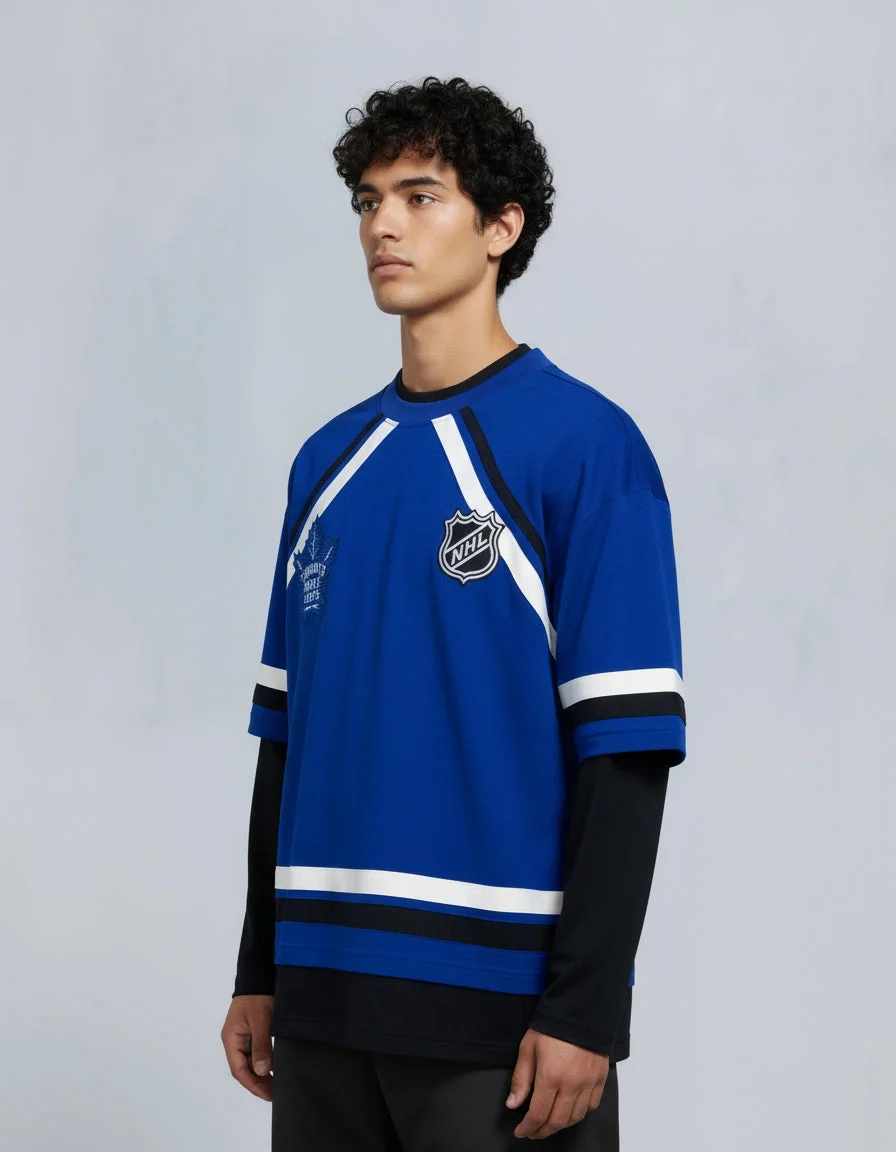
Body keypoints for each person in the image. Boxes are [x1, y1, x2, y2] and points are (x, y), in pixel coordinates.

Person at [220, 75, 686, 1151]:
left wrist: (586, 1011)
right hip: (322, 1000)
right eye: (368, 201)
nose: (382, 225)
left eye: (420, 196)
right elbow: (284, 740)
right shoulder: (326, 464)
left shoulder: (585, 448)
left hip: (498, 1016)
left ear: (499, 228)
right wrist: (259, 968)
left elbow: (625, 752)